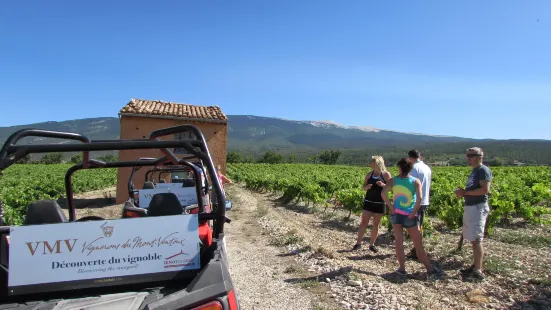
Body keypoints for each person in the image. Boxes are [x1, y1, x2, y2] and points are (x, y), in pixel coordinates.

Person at [381, 158, 443, 278]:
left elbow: (383, 193)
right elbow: (420, 199)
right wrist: (413, 212)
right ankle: (429, 269)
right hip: (410, 215)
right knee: (418, 244)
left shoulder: (393, 180)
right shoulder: (416, 181)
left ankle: (402, 268)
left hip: (396, 214)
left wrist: (391, 207)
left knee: (399, 242)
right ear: (410, 169)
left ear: (399, 167)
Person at [454, 147, 492, 281]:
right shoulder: (475, 171)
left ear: (479, 157)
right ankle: (475, 266)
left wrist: (464, 193)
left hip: (477, 207)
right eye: (467, 155)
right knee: (473, 239)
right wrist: (464, 192)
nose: (468, 158)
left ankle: (478, 271)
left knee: (476, 239)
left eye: (471, 155)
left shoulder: (482, 170)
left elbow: (485, 190)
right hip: (472, 206)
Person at [352, 156, 392, 252]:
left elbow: (391, 187)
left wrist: (383, 185)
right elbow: (363, 187)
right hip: (368, 201)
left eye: (372, 162)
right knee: (363, 222)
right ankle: (358, 243)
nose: (370, 163)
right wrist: (367, 187)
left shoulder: (386, 175)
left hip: (380, 202)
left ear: (376, 163)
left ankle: (372, 244)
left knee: (376, 224)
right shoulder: (369, 175)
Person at [406, 149, 432, 259]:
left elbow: (410, 185)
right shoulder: (426, 167)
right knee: (419, 225)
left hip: (415, 201)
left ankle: (417, 251)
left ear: (410, 158)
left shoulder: (413, 168)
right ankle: (416, 250)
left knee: (415, 227)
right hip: (424, 200)